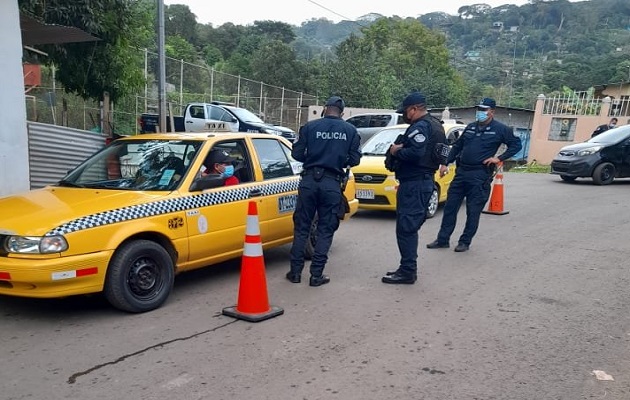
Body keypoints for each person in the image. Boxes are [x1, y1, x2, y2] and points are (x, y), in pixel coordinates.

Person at [426, 97, 522, 253]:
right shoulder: (470, 127)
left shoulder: (500, 129)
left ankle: (465, 241)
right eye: (480, 110)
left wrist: (498, 158)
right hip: (461, 172)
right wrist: (445, 163)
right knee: (450, 207)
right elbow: (457, 147)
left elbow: (516, 145)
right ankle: (443, 239)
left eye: (484, 110)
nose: (481, 113)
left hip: (480, 175)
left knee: (473, 210)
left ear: (492, 112)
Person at [286, 96, 361, 287]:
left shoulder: (309, 127)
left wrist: (313, 157)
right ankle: (316, 275)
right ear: (342, 112)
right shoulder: (350, 130)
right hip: (331, 183)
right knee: (325, 229)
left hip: (309, 181)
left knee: (302, 226)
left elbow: (296, 154)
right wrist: (337, 160)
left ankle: (295, 273)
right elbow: (355, 160)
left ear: (325, 108)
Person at [381, 91, 447, 285]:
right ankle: (407, 267)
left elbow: (415, 153)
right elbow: (442, 152)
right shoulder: (436, 125)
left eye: (406, 111)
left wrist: (396, 150)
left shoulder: (421, 126)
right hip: (423, 182)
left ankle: (408, 271)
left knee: (406, 228)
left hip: (415, 183)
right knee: (410, 226)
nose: (405, 115)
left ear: (414, 109)